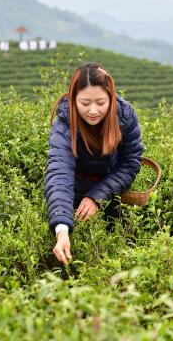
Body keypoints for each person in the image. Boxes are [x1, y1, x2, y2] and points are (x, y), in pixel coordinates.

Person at [44, 62, 144, 265]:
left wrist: (97, 196)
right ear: (73, 99)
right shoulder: (65, 121)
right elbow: (59, 172)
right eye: (84, 103)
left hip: (113, 193)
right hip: (73, 197)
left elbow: (130, 163)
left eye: (100, 102)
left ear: (111, 97)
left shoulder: (123, 116)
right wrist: (61, 227)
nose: (92, 110)